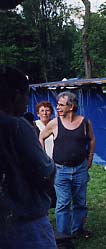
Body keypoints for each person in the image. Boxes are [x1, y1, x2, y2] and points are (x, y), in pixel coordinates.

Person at [0, 65, 56, 248]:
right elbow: (44, 173)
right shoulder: (16, 126)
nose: (27, 101)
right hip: (25, 226)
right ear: (16, 95)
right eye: (26, 95)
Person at [39, 91, 96, 238]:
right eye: (57, 105)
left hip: (80, 169)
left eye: (60, 105)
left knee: (80, 202)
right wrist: (46, 159)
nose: (57, 108)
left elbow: (91, 140)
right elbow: (41, 137)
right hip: (60, 170)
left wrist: (90, 158)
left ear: (71, 106)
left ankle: (78, 230)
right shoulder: (54, 123)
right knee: (63, 204)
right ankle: (63, 237)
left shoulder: (85, 122)